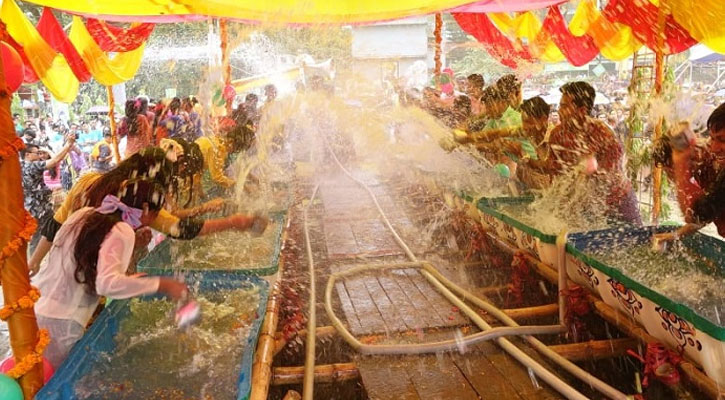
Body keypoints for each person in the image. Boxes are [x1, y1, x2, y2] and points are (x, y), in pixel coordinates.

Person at [28, 147, 266, 276]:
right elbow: (184, 230)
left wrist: (35, 262)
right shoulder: (140, 202)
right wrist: (235, 222)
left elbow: (54, 226)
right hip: (92, 277)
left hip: (64, 269)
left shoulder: (88, 182)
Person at [33, 179, 189, 369]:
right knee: (55, 377)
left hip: (36, 309)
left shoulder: (83, 214)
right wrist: (163, 284)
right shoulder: (122, 230)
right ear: (146, 208)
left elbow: (83, 258)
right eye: (156, 214)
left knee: (33, 373)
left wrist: (133, 246)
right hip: (64, 323)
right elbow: (107, 284)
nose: (154, 220)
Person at [544, 82, 641, 224]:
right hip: (581, 205)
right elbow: (554, 172)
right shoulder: (557, 134)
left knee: (633, 237)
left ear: (582, 110)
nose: (559, 111)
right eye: (560, 106)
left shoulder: (602, 134)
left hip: (617, 202)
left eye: (564, 106)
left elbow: (608, 177)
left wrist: (584, 172)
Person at [654, 105, 725, 241]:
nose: (714, 148)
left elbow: (694, 215)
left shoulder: (710, 162)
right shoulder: (704, 170)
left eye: (722, 140)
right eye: (712, 138)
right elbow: (705, 212)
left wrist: (681, 164)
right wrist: (676, 235)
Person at [21, 136, 76, 253]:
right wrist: (68, 145)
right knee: (42, 235)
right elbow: (55, 160)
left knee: (42, 234)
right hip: (39, 209)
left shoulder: (18, 166)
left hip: (30, 207)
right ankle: (37, 261)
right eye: (37, 153)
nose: (39, 156)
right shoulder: (32, 166)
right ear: (27, 155)